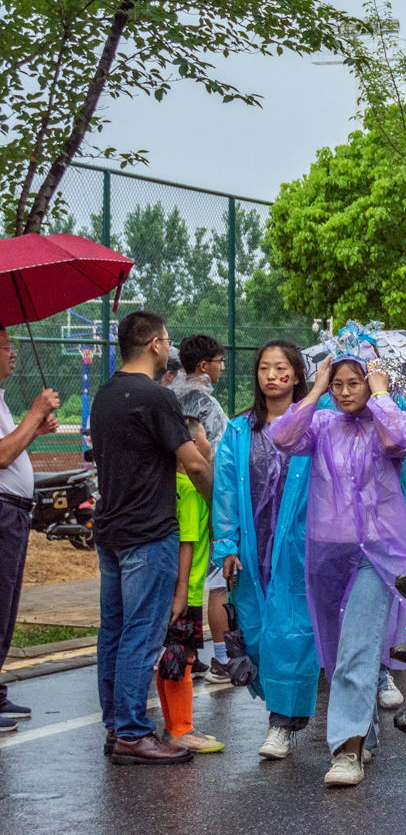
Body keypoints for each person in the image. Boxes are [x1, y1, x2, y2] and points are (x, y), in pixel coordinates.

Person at [270, 349, 406, 787]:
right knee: (336, 653)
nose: (345, 392)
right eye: (339, 384)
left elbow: (401, 439)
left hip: (376, 555)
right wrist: (315, 390)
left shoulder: (383, 423)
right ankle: (365, 734)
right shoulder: (321, 425)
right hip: (328, 555)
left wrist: (380, 392)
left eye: (354, 383)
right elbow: (281, 436)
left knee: (355, 647)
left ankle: (346, 752)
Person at [92, 311, 213, 764]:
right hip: (148, 532)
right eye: (167, 340)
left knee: (115, 632)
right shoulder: (155, 398)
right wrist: (222, 510)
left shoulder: (105, 395)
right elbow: (196, 464)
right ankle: (132, 732)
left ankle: (115, 724)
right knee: (142, 634)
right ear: (155, 346)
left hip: (110, 531)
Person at [214, 340, 321, 760]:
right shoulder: (240, 431)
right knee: (258, 633)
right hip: (252, 549)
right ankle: (283, 710)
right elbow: (224, 490)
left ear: (297, 375)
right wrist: (226, 544)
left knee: (292, 632)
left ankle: (281, 724)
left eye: (281, 368)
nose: (272, 376)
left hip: (300, 547)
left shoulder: (317, 424)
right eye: (264, 368)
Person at [0, 327, 58, 732]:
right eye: (6, 347)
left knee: (7, 606)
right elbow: (1, 456)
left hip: (14, 513)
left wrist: (31, 432)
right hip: (3, 512)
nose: (14, 354)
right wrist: (35, 413)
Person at [155, 415, 223, 753]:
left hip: (174, 588)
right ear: (194, 446)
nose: (210, 443)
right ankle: (182, 729)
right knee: (182, 656)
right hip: (188, 591)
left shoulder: (171, 488)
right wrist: (182, 593)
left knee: (168, 658)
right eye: (207, 437)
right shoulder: (193, 493)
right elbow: (187, 544)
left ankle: (172, 727)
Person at [173, 333, 232, 682]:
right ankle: (223, 658)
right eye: (219, 360)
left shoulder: (168, 397)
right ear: (203, 365)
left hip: (172, 498)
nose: (222, 366)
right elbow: (217, 458)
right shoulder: (204, 405)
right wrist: (221, 508)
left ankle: (185, 654)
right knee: (217, 582)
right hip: (203, 497)